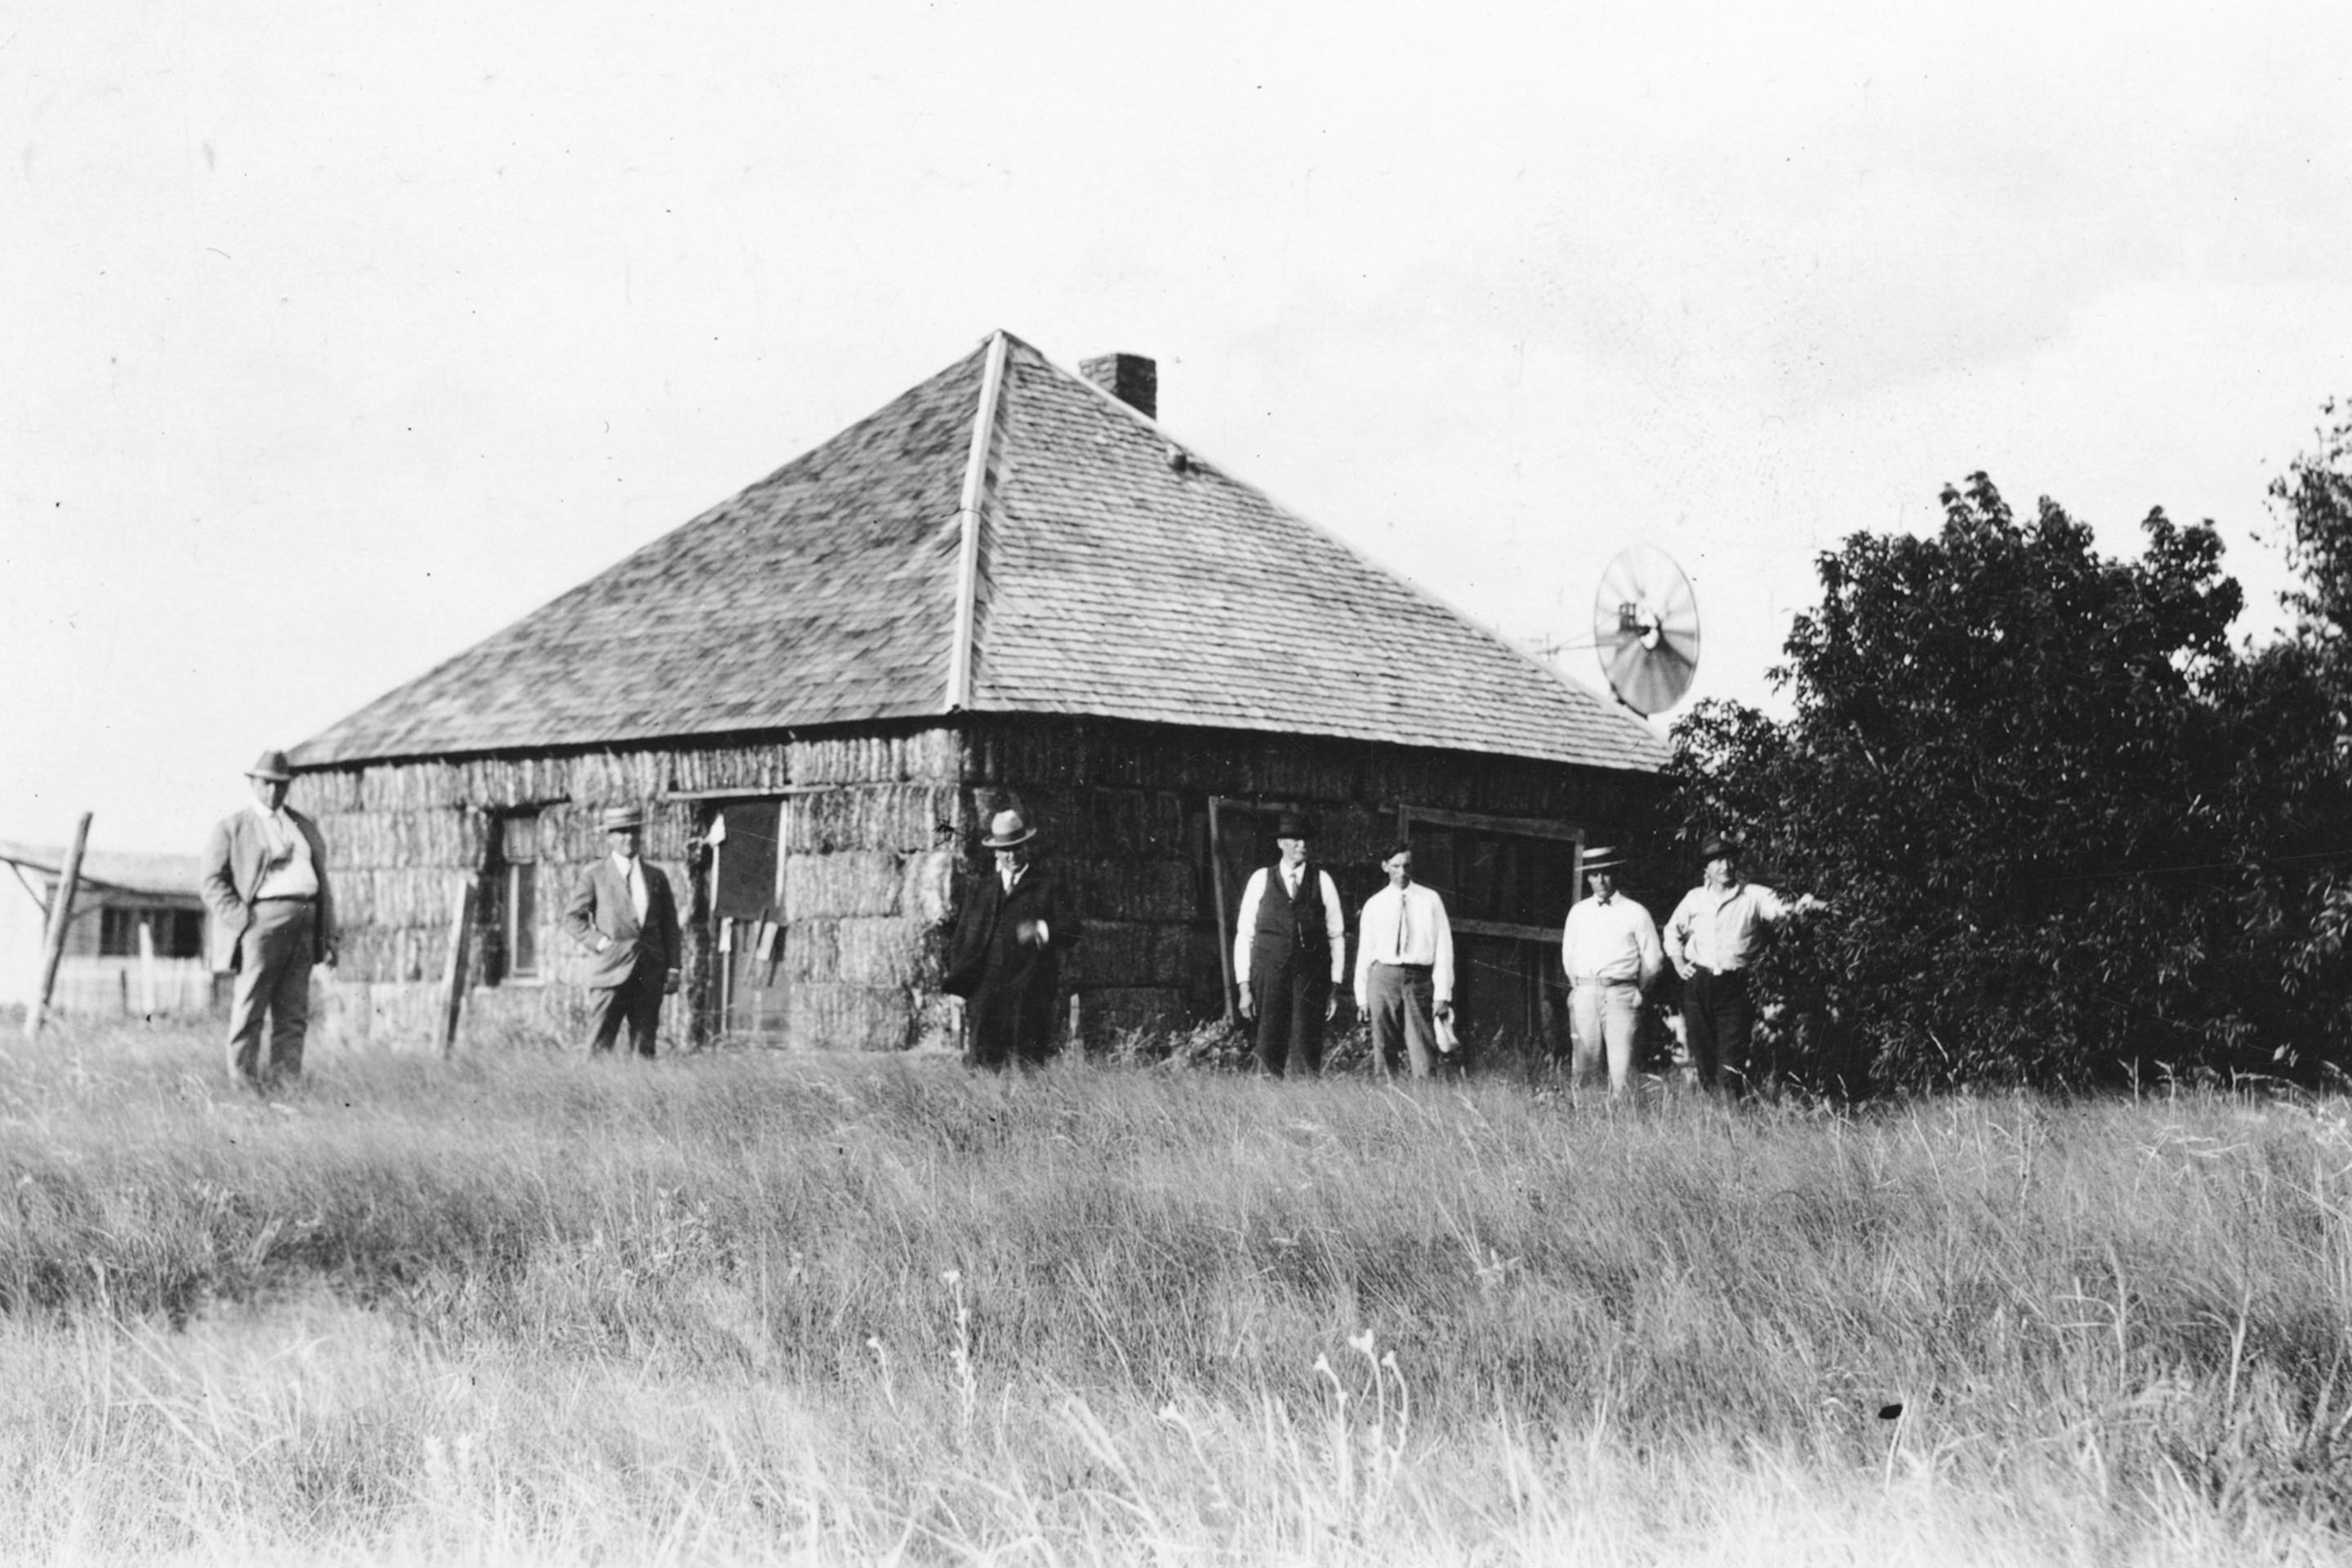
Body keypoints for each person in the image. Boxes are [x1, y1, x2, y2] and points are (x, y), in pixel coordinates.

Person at [201, 748, 338, 1089]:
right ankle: (244, 1087)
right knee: (250, 1009)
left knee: (293, 1013)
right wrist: (244, 920)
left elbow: (323, 884)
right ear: (253, 784)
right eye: (267, 784)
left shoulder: (302, 826)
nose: (274, 791)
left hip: (306, 920)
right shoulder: (233, 828)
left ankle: (286, 1086)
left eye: (281, 785)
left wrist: (327, 935)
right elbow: (212, 883)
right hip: (262, 923)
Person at [1664, 833, 1804, 1095]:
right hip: (1699, 982)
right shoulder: (1694, 898)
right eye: (1716, 861)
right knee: (1704, 1056)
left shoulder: (1751, 895)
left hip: (1736, 984)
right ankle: (1712, 1115)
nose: (1724, 867)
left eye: (1729, 860)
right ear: (1706, 868)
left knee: (1731, 1057)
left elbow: (1788, 908)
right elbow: (1672, 931)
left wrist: (1818, 905)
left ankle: (1732, 1115)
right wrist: (1679, 962)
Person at [943, 807, 1079, 1069]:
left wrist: (1042, 929)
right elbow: (963, 941)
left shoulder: (1047, 886)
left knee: (1027, 1066)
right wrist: (959, 985)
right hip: (987, 995)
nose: (1012, 855)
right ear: (996, 851)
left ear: (1026, 848)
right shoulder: (981, 890)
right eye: (1006, 850)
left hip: (1031, 992)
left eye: (1018, 848)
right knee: (984, 1066)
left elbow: (1073, 929)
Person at [562, 804, 682, 1057]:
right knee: (598, 1047)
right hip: (611, 970)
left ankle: (639, 1094)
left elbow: (670, 926)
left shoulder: (656, 876)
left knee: (644, 1048)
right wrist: (602, 943)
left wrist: (673, 967)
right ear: (610, 837)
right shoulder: (594, 875)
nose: (629, 837)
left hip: (649, 971)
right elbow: (573, 918)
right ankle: (589, 1094)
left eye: (634, 831)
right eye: (622, 832)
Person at [1233, 811, 1347, 1076]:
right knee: (1268, 1042)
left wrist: (1335, 985)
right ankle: (1266, 1105)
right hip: (1269, 974)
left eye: (1305, 840)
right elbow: (1244, 935)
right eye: (1295, 840)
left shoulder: (1323, 881)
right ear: (1280, 843)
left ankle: (1305, 1107)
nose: (1302, 845)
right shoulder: (1261, 879)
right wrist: (1244, 987)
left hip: (1310, 977)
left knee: (1306, 1044)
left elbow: (1336, 936)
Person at [1559, 844, 1663, 1098]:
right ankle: (1586, 1119)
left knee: (1623, 1067)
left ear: (1615, 874)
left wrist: (1637, 990)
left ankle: (1624, 1121)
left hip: (1621, 993)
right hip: (1586, 991)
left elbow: (1653, 960)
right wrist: (1580, 988)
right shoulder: (1578, 913)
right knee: (1584, 1063)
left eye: (1606, 873)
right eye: (1594, 875)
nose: (1601, 880)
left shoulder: (1635, 912)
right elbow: (1568, 955)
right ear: (1588, 878)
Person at [1352, 844, 1454, 1079]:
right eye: (1396, 866)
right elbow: (1365, 952)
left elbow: (1443, 948)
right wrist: (1361, 997)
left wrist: (1442, 994)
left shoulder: (1430, 900)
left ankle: (1425, 1103)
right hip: (1383, 979)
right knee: (1384, 1047)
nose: (1402, 872)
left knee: (1423, 1047)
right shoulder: (1374, 904)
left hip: (1418, 979)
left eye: (1406, 866)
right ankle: (1385, 1104)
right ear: (1385, 866)